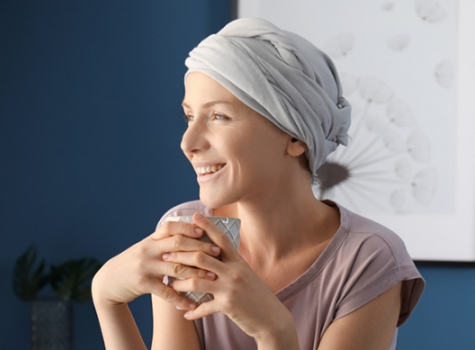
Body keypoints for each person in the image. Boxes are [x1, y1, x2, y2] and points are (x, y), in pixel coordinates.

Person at [91, 18, 425, 350]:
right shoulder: (188, 232)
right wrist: (106, 298)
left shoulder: (368, 260)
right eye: (189, 117)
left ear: (295, 137)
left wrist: (275, 332)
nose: (188, 142)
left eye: (219, 116)